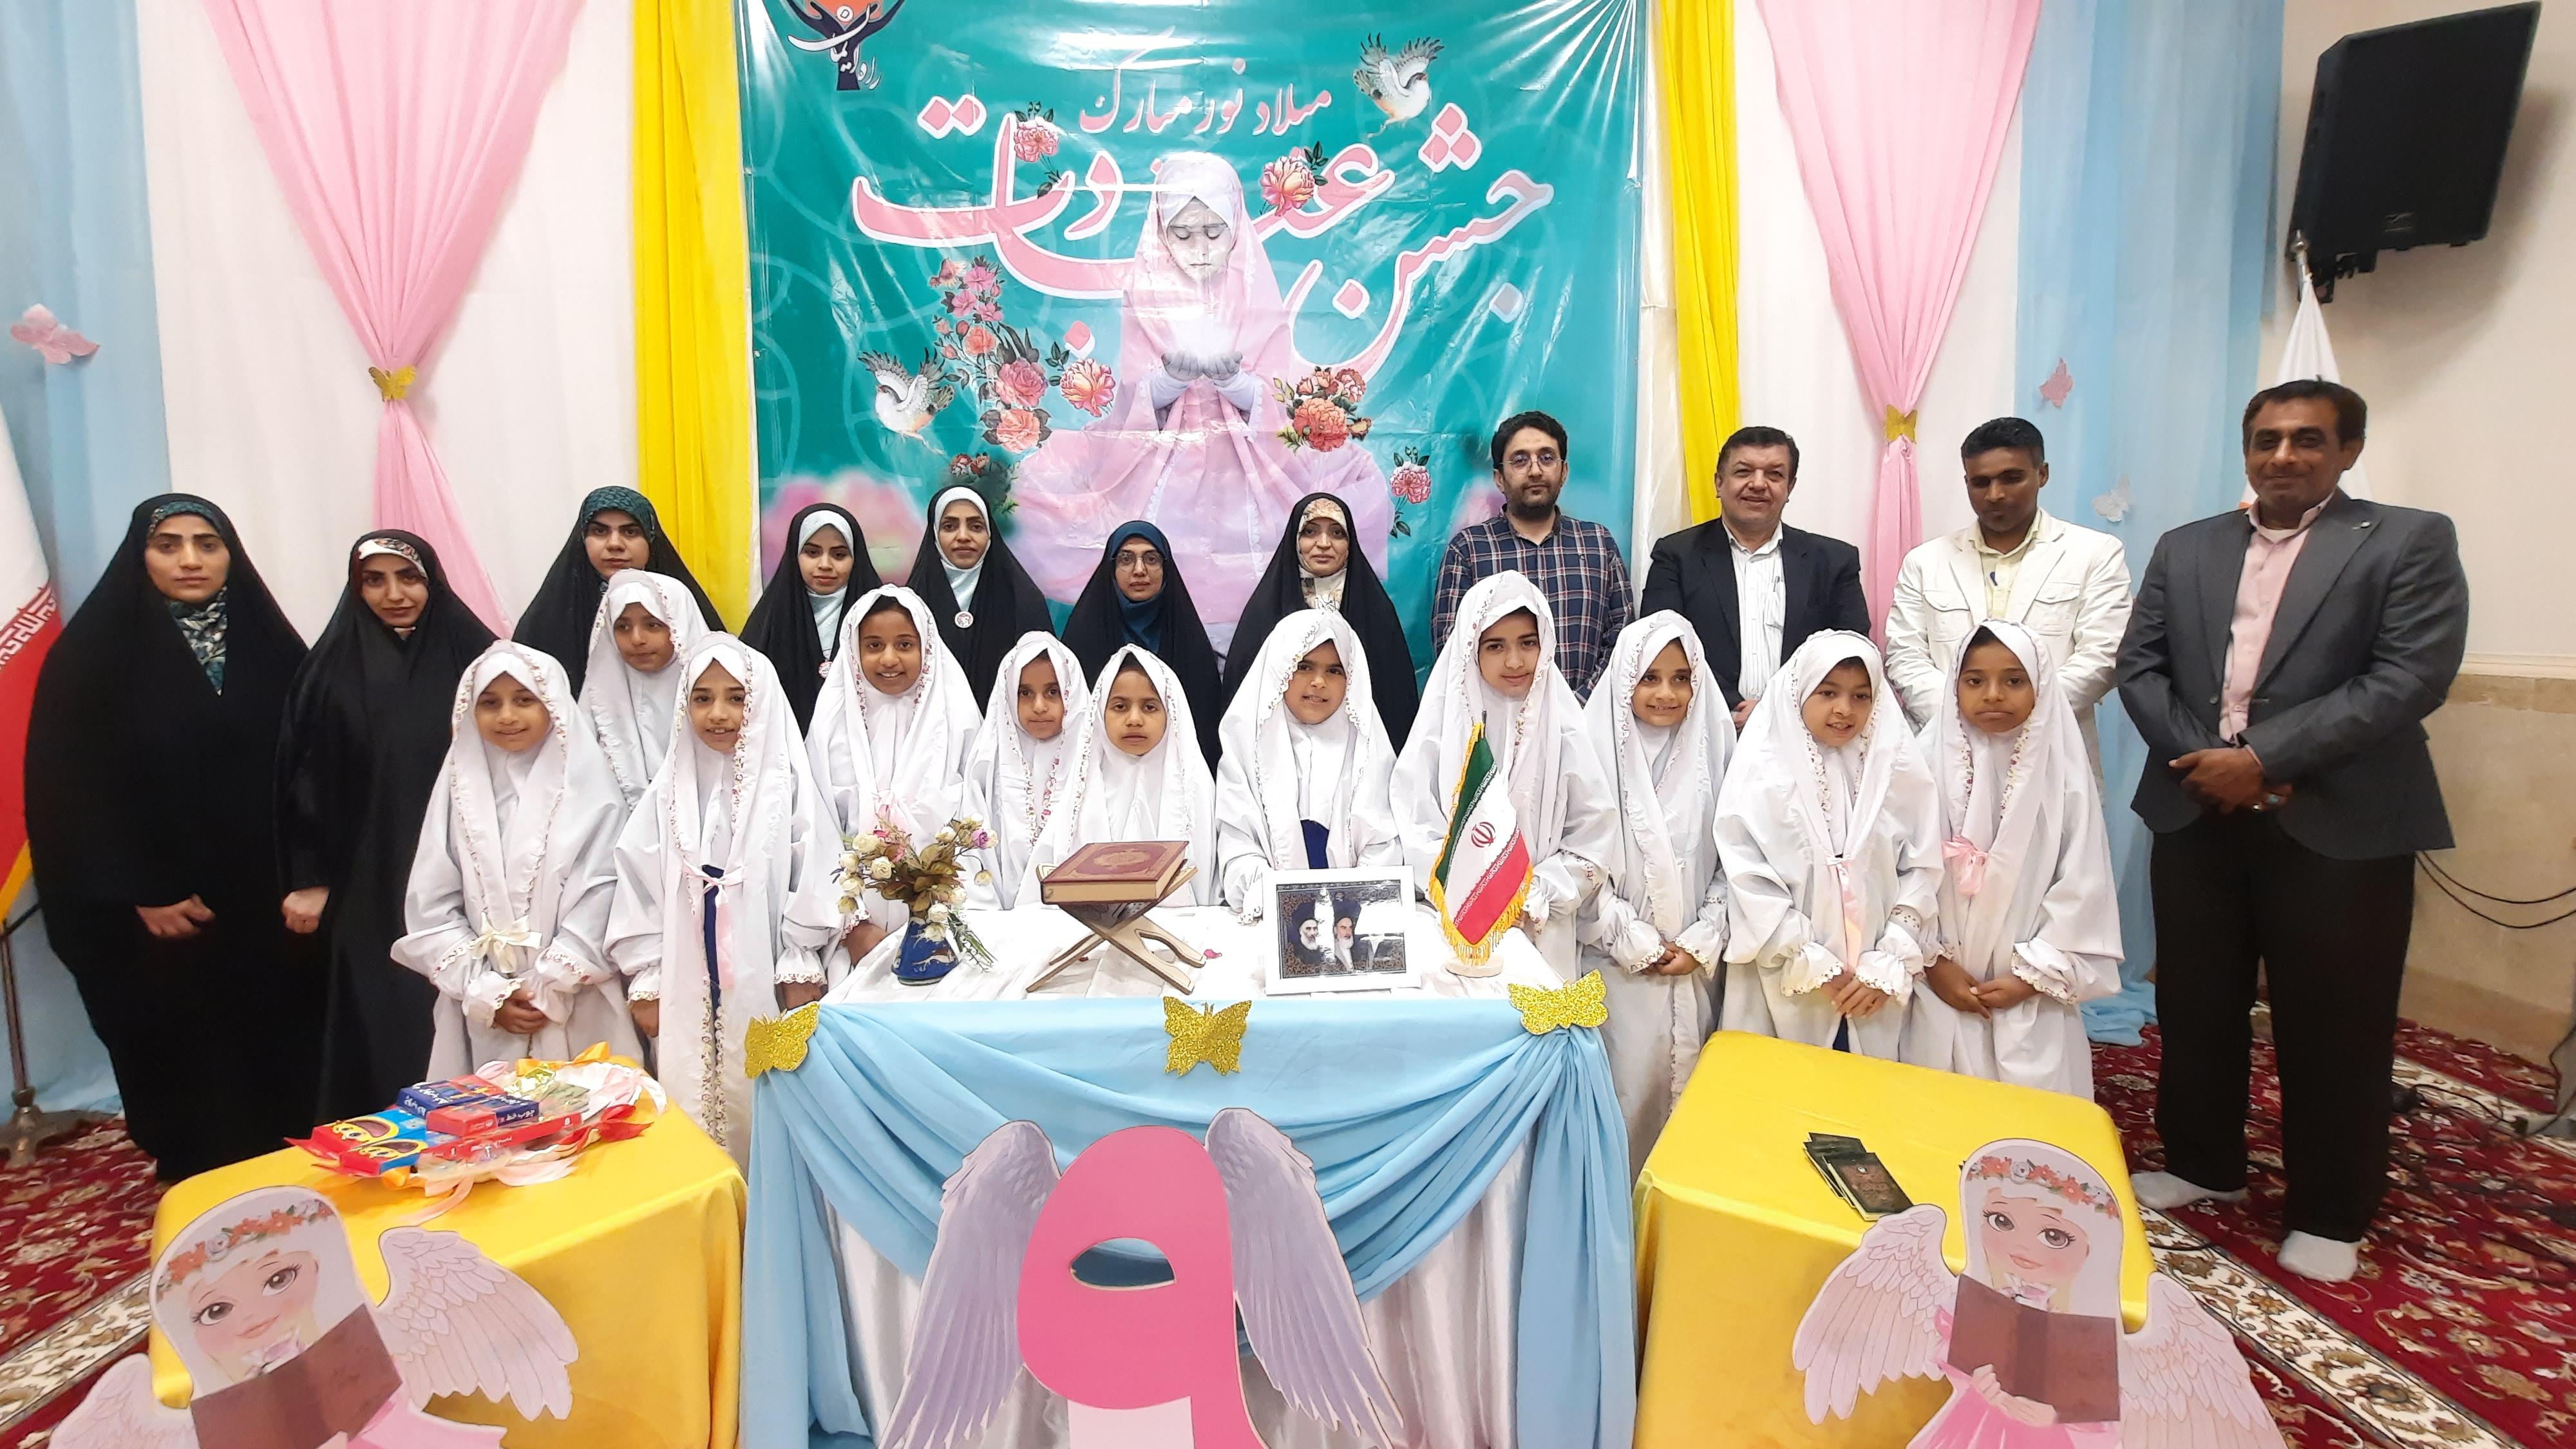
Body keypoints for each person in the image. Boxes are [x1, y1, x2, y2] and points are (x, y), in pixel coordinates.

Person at [2118, 380, 2468, 1284]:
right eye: (2267, 439)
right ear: (2246, 450)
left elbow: (2410, 675)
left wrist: (2264, 758)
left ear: (2348, 450)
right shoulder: (2188, 546)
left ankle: (2329, 1209)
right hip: (2198, 810)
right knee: (2195, 999)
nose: (2283, 456)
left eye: (2307, 439)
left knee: (2336, 1020)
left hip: (2338, 819)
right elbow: (2140, 666)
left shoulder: (2405, 540)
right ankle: (2204, 1162)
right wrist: (2207, 763)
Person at [24, 496, 315, 1180]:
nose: (190, 560)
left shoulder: (272, 644)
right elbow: (70, 788)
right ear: (141, 557)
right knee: (187, 1044)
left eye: (207, 544)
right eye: (169, 545)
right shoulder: (92, 656)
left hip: (268, 894)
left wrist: (311, 871)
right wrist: (143, 889)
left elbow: (315, 763)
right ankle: (199, 1169)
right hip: (166, 905)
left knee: (282, 1033)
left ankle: (294, 1161)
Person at [1001, 150, 1392, 629]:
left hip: (1250, 466)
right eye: (1183, 234)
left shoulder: (1256, 291)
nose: (1200, 248)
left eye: (1213, 232)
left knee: (1329, 509)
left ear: (1236, 229)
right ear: (1162, 234)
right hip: (1164, 464)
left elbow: (1280, 395)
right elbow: (1132, 400)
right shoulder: (1145, 291)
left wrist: (1238, 386)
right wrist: (1166, 384)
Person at [276, 531, 495, 1120]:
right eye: (375, 581)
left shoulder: (477, 658)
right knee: (386, 1018)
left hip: (472, 873)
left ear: (433, 581)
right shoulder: (330, 670)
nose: (394, 594)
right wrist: (310, 877)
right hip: (368, 881)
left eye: (409, 578)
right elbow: (306, 779)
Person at [607, 636, 842, 1163]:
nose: (719, 714)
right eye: (703, 698)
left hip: (764, 970)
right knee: (689, 1099)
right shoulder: (667, 794)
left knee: (765, 1094)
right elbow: (638, 885)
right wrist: (647, 975)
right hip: (686, 975)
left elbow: (814, 873)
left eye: (737, 698)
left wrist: (800, 958)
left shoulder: (787, 787)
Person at [393, 644, 641, 1073]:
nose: (507, 716)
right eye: (490, 704)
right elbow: (432, 905)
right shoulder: (457, 791)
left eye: (524, 700)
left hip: (577, 1000)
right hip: (482, 1008)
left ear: (553, 706)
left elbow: (605, 893)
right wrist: (485, 991)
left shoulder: (592, 792)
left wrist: (551, 983)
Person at [1902, 623, 2120, 1097]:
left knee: (2028, 1120)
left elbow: (2082, 883)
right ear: (1954, 686)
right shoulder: (1921, 765)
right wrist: (1933, 962)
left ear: (2040, 685)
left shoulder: (2065, 776)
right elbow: (1901, 871)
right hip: (1936, 985)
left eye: (2014, 681)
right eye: (1975, 681)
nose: (1994, 695)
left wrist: (2032, 976)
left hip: (2028, 993)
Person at [1714, 632, 1940, 1060]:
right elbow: (1746, 872)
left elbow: (1921, 869)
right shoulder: (1763, 773)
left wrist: (1889, 959)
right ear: (1799, 692)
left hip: (1874, 983)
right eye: (1828, 692)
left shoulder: (1898, 770)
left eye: (1861, 696)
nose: (1844, 709)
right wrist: (1811, 961)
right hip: (1786, 979)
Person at [1395, 572, 1619, 978]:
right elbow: (1414, 824)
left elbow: (1593, 836)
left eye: (1528, 643)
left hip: (1541, 926)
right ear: (1470, 648)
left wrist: (1530, 896)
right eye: (1495, 646)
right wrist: (1471, 895)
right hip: (1451, 929)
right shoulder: (1440, 730)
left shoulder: (1566, 729)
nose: (1515, 662)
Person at [1580, 612, 1736, 1173]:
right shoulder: (1592, 756)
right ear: (1624, 680)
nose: (1666, 693)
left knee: (1696, 1118)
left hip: (1696, 969)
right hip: (1616, 972)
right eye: (1649, 678)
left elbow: (1738, 859)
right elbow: (1581, 863)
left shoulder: (1719, 754)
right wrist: (1632, 938)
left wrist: (1704, 937)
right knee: (1625, 1102)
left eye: (1680, 678)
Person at [1884, 418, 2132, 766]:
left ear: (2042, 474)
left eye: (2012, 478)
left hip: (2055, 755)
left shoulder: (2095, 553)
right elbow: (1905, 657)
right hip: (1949, 755)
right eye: (1981, 482)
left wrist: (2023, 715)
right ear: (1967, 482)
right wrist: (1964, 716)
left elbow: (2104, 655)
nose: (1995, 494)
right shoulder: (1925, 562)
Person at [1641, 426, 1871, 726]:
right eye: (1743, 472)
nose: (1758, 484)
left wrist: (1777, 706)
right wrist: (1729, 707)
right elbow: (1662, 647)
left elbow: (1851, 653)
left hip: (1803, 729)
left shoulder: (1834, 561)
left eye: (1774, 475)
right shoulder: (1676, 555)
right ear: (1719, 483)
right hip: (1704, 727)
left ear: (1790, 487)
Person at [806, 586, 981, 956]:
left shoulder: (957, 717)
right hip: (855, 925)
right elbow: (816, 827)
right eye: (874, 646)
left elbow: (976, 818)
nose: (889, 659)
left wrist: (946, 908)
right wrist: (852, 924)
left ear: (927, 649)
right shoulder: (831, 724)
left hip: (949, 916)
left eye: (904, 645)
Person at [1215, 610, 1405, 918]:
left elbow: (1384, 845)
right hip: (1269, 916)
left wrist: (1351, 906)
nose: (1318, 682)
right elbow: (1238, 844)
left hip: (1353, 919)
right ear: (1279, 669)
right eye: (1303, 667)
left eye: (1335, 671)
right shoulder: (1246, 746)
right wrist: (1267, 893)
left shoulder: (1369, 749)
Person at [1431, 412, 1634, 698]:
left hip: (1588, 718)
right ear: (1499, 479)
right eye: (1520, 460)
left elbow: (1623, 640)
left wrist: (1577, 709)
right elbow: (1451, 649)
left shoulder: (1598, 544)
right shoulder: (1468, 550)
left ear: (1564, 472)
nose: (1536, 471)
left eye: (1547, 458)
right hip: (1496, 721)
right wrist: (1512, 712)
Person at [1023, 647, 1219, 905]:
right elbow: (1044, 889)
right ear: (1100, 713)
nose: (1134, 720)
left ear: (1171, 714)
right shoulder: (1081, 790)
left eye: (1150, 707)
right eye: (1120, 707)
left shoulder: (1195, 788)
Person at [1222, 493, 1421, 746]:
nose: (1324, 543)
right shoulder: (1265, 612)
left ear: (1350, 543)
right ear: (1295, 539)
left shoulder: (1377, 615)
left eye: (1337, 533)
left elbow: (1395, 704)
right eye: (1311, 532)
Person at [515, 487, 723, 696]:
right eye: (600, 532)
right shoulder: (546, 623)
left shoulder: (682, 606)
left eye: (630, 532)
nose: (615, 544)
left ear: (651, 539)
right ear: (582, 539)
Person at [1061, 522, 1226, 765]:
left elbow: (1205, 729)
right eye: (1126, 559)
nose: (1139, 570)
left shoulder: (1189, 642)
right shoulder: (1083, 638)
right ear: (1111, 568)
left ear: (1166, 568)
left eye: (1151, 559)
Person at [961, 633, 1090, 909]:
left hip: (1082, 920)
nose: (1039, 706)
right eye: (1025, 693)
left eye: (1053, 692)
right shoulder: (988, 763)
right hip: (1001, 919)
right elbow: (972, 854)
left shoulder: (1092, 763)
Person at [902, 486, 1056, 705]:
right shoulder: (910, 605)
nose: (963, 537)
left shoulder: (1024, 602)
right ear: (935, 534)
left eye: (976, 527)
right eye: (949, 526)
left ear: (990, 534)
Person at [740, 502, 881, 728]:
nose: (825, 565)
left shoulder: (879, 614)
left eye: (839, 555)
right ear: (794, 555)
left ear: (856, 559)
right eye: (812, 553)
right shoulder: (771, 621)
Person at [581, 570, 708, 810]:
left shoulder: (716, 701)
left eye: (653, 625)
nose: (637, 639)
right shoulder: (595, 704)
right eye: (623, 627)